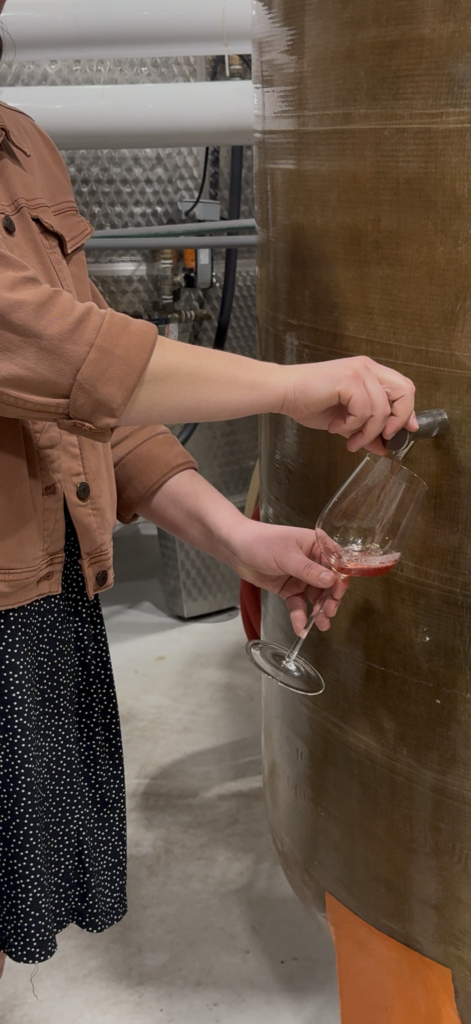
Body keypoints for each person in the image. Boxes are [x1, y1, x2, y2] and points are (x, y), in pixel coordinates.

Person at [0, 8, 417, 976]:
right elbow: (52, 351)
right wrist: (290, 384)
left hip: (38, 600)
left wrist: (233, 535)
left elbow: (87, 399)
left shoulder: (19, 139)